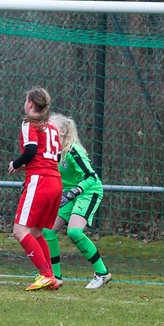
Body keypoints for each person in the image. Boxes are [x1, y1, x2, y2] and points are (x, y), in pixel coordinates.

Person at [44, 114, 111, 289]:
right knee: (48, 231)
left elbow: (91, 177)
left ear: (64, 131)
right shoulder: (52, 151)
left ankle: (102, 273)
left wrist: (74, 192)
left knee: (74, 232)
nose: (48, 131)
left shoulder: (74, 150)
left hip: (88, 191)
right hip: (70, 194)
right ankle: (55, 277)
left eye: (52, 128)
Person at [6, 87, 63, 292]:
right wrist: (26, 164)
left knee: (20, 230)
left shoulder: (29, 124)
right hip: (55, 181)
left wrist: (16, 163)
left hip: (40, 180)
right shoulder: (52, 128)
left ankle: (46, 275)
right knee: (37, 231)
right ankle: (52, 277)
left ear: (30, 103)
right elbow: (54, 157)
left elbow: (30, 150)